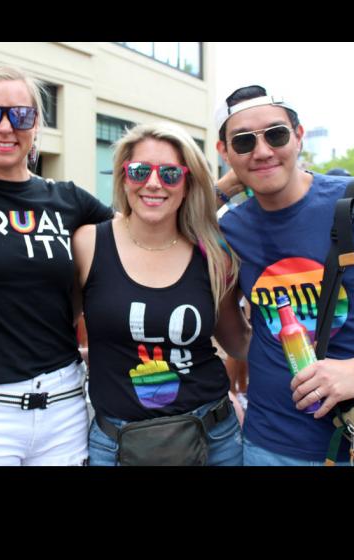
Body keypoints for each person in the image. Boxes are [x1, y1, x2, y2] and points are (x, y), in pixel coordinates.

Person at [215, 85, 354, 466]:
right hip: (270, 447)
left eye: (276, 135)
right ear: (224, 152)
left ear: (299, 136)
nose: (262, 151)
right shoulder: (232, 230)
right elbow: (168, 223)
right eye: (243, 142)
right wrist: (226, 186)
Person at [72, 122, 250, 466]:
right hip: (116, 445)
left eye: (170, 174)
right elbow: (58, 325)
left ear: (187, 184)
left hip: (213, 439)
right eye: (140, 171)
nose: (153, 183)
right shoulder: (88, 244)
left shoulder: (214, 253)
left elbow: (238, 341)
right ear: (124, 178)